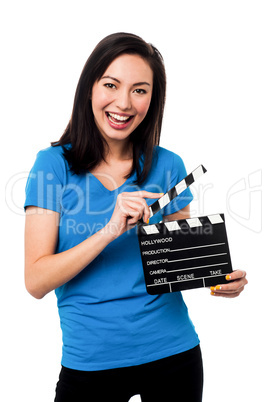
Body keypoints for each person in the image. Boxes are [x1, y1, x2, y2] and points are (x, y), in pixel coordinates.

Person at [24, 32, 248, 402]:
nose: (124, 103)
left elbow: (177, 266)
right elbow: (35, 281)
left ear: (152, 99)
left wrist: (216, 280)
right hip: (89, 363)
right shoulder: (51, 167)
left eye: (140, 90)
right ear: (89, 89)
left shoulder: (168, 165)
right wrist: (109, 230)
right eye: (111, 84)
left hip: (174, 353)